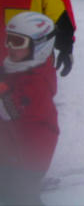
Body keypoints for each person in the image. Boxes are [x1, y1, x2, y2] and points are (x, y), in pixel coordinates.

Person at [0, 12, 59, 204]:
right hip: (11, 148)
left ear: (39, 46)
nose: (10, 47)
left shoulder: (36, 83)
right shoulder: (18, 66)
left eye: (17, 42)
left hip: (29, 158)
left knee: (20, 197)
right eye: (9, 39)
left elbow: (10, 111)